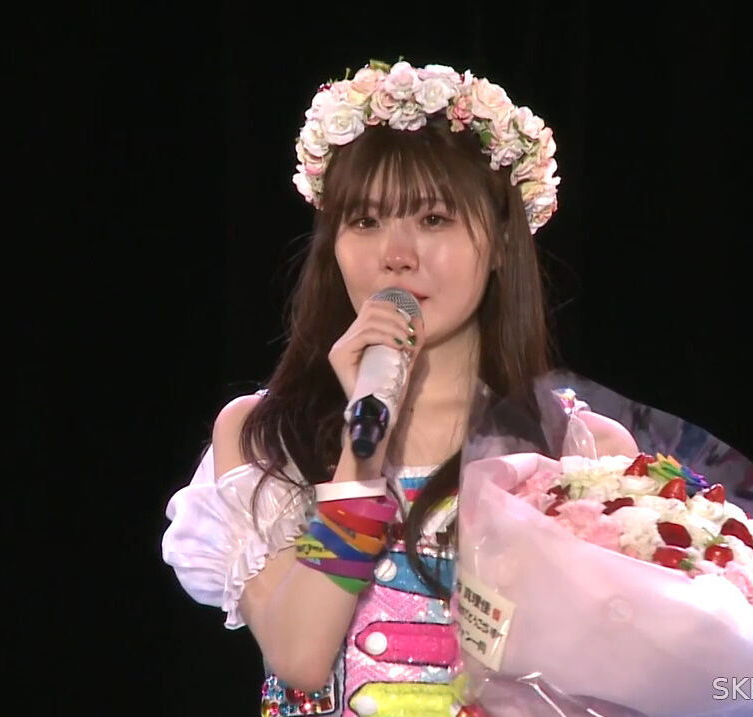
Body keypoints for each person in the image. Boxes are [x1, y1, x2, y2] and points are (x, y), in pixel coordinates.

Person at [161, 59, 637, 717]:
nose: (396, 254)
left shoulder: (580, 449)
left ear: (502, 240)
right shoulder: (263, 435)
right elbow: (299, 656)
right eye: (364, 221)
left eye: (434, 219)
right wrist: (360, 452)